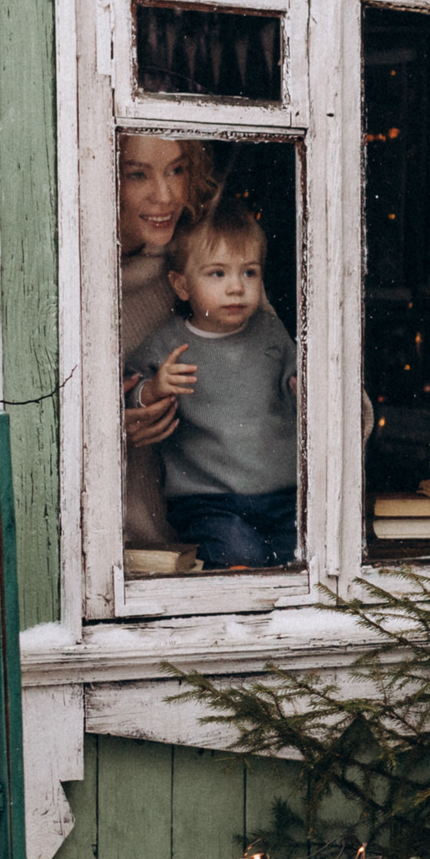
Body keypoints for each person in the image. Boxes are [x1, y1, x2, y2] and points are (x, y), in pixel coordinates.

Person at [124, 200, 300, 569]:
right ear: (181, 285)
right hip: (207, 499)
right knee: (238, 556)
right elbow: (128, 395)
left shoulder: (270, 332)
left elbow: (299, 381)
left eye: (249, 273)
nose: (236, 287)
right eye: (217, 274)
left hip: (284, 494)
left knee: (298, 557)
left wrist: (305, 390)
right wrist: (152, 390)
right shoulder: (169, 343)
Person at [117, 134, 219, 548]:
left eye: (176, 170)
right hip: (101, 554)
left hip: (202, 547)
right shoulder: (61, 268)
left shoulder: (201, 260)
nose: (165, 196)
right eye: (137, 175)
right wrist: (100, 432)